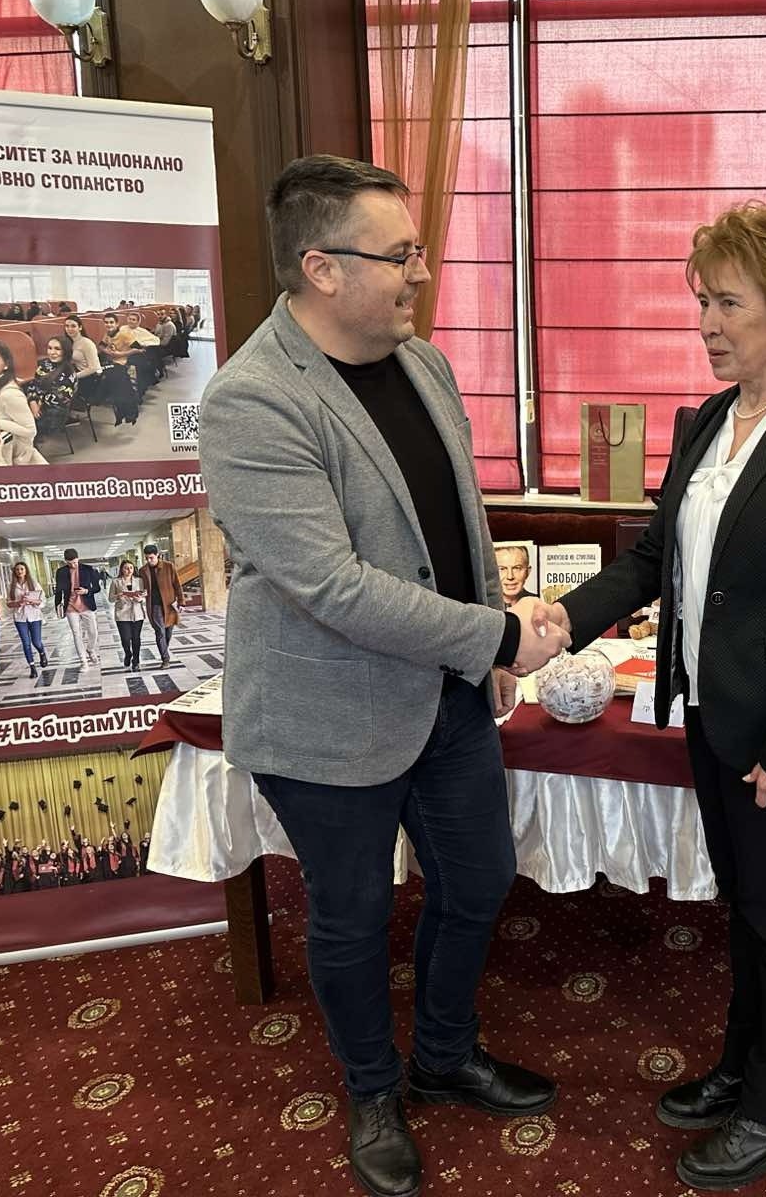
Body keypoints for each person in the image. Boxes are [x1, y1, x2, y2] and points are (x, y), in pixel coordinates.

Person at [200, 154, 568, 1197]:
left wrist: (484, 649)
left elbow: (460, 522)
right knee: (353, 914)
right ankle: (372, 1091)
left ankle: (444, 1056)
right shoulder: (253, 401)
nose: (421, 271)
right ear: (321, 267)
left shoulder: (424, 365)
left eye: (418, 249)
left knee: (479, 880)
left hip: (445, 697)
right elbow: (333, 587)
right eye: (399, 254)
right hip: (324, 713)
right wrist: (495, 638)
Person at [541, 202, 766, 1191]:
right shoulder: (706, 423)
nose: (706, 324)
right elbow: (653, 559)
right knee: (745, 908)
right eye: (702, 303)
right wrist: (561, 619)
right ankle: (741, 1070)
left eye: (728, 304)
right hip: (707, 713)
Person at [54, 548, 102, 670]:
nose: (73, 565)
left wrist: (86, 591)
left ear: (78, 559)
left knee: (93, 632)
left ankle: (90, 649)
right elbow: (58, 591)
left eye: (75, 562)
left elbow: (97, 588)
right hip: (71, 607)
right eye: (70, 563)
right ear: (65, 561)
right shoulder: (61, 572)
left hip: (87, 605)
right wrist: (57, 606)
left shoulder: (88, 569)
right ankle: (83, 661)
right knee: (76, 634)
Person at [138, 545, 183, 666]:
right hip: (154, 605)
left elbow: (177, 585)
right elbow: (141, 587)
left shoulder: (169, 566)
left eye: (151, 558)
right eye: (147, 558)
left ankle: (164, 649)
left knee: (168, 632)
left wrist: (181, 601)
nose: (149, 560)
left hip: (169, 604)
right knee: (160, 632)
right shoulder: (143, 571)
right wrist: (142, 593)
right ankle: (165, 659)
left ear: (157, 555)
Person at [27, 336, 78, 437]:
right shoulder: (43, 364)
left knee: (19, 424)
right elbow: (33, 385)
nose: (52, 352)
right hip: (36, 406)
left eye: (57, 349)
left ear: (65, 351)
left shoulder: (69, 372)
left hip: (53, 413)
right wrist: (32, 402)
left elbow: (60, 400)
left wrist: (37, 402)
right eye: (49, 348)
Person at [7, 561, 49, 677]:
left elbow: (42, 600)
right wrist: (18, 603)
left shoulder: (34, 584)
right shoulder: (12, 586)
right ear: (15, 572)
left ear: (26, 571)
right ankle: (32, 667)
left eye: (22, 569)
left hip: (34, 616)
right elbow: (9, 603)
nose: (19, 571)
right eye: (17, 569)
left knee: (36, 642)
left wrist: (31, 601)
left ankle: (42, 652)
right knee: (26, 643)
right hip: (20, 618)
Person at [110, 558, 147, 671]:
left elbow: (145, 596)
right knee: (125, 639)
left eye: (131, 568)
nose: (129, 570)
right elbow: (110, 598)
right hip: (122, 614)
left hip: (137, 613)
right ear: (122, 569)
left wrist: (141, 599)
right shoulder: (116, 582)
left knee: (136, 639)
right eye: (126, 568)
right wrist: (118, 596)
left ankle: (136, 661)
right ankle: (128, 653)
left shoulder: (139, 581)